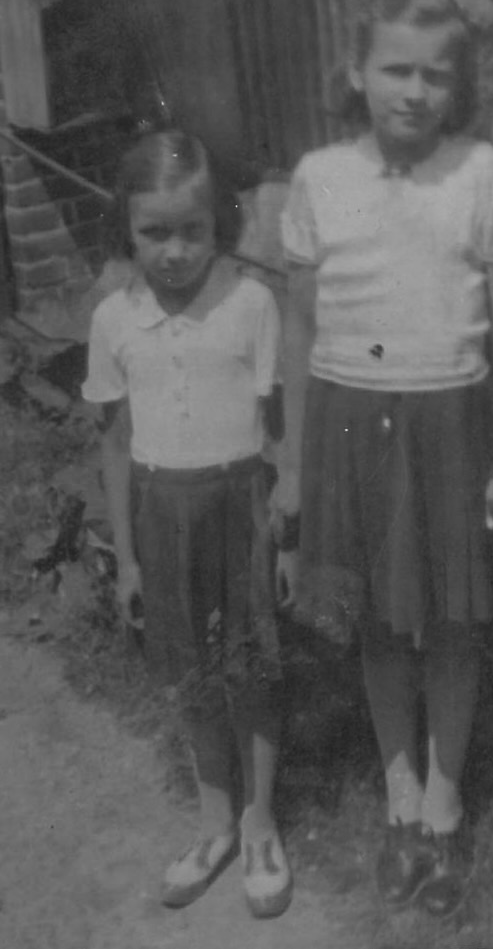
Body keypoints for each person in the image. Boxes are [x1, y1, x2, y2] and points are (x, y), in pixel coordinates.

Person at [274, 0, 493, 920]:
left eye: (434, 75)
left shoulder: (479, 173)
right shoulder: (319, 178)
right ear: (357, 71)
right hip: (350, 416)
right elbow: (300, 331)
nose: (414, 91)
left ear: (454, 86)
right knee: (381, 621)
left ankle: (444, 804)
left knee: (452, 621)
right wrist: (291, 461)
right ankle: (397, 797)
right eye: (395, 69)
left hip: (450, 420)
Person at [82, 130, 292, 919]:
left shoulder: (249, 304)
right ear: (126, 229)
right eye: (154, 232)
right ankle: (215, 823)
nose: (174, 251)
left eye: (192, 231)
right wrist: (128, 558)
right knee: (194, 673)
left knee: (250, 667)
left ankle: (260, 822)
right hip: (160, 513)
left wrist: (285, 532)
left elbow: (275, 429)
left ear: (219, 224)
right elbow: (114, 445)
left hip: (239, 506)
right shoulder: (115, 319)